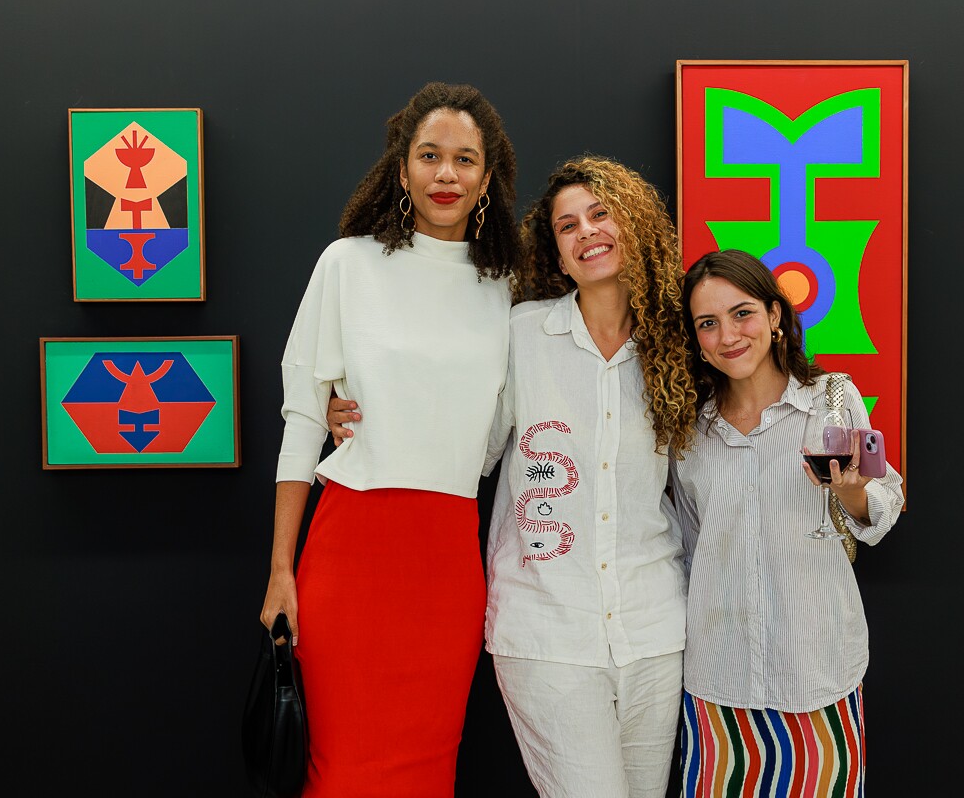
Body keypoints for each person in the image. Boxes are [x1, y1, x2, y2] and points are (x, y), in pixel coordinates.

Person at [259, 81, 521, 798]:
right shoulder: (346, 265)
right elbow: (303, 421)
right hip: (351, 549)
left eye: (464, 160)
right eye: (429, 155)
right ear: (401, 168)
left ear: (487, 178)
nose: (446, 174)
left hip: (446, 559)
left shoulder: (508, 288)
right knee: (343, 770)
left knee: (429, 766)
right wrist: (281, 569)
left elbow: (499, 438)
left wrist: (419, 420)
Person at [482, 156, 698, 797]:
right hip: (547, 632)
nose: (586, 232)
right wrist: (351, 411)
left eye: (600, 214)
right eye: (567, 225)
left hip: (654, 632)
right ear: (556, 252)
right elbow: (466, 446)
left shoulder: (679, 348)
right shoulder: (523, 335)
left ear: (635, 223)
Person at [670, 249, 904, 796]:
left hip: (816, 674)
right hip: (718, 680)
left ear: (776, 315)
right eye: (708, 323)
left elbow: (884, 501)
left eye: (742, 313)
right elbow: (688, 542)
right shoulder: (690, 429)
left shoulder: (833, 398)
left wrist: (848, 486)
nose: (728, 334)